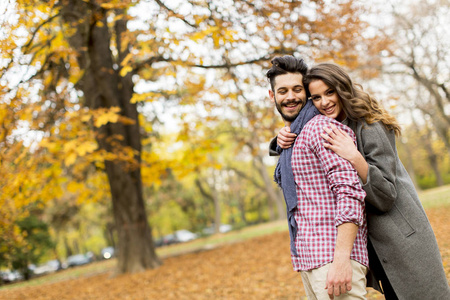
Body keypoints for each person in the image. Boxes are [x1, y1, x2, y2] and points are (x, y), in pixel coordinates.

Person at [274, 62, 450, 299]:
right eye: (315, 97)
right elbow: (300, 141)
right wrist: (277, 140)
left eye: (329, 93)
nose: (324, 102)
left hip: (402, 238)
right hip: (372, 241)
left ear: (342, 89)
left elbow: (386, 194)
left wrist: (355, 157)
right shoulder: (331, 125)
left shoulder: (370, 124)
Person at [267, 55, 370, 299]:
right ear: (272, 96)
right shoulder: (294, 136)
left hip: (334, 259)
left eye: (296, 89)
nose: (290, 96)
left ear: (307, 93)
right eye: (282, 91)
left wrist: (342, 259)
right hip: (310, 259)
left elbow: (349, 191)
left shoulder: (321, 129)